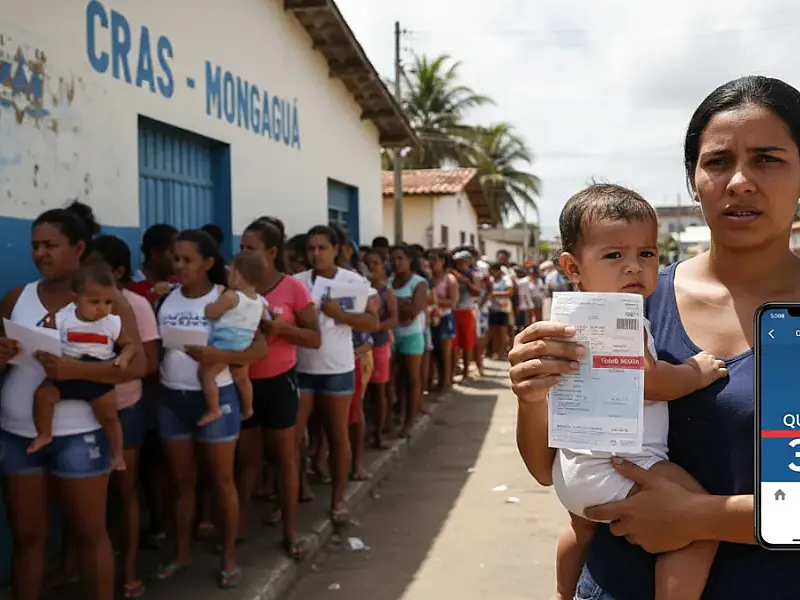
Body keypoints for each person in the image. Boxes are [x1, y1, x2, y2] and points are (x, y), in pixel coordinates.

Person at [510, 75, 800, 600]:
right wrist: (532, 396)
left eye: (767, 158)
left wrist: (699, 517)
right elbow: (546, 467)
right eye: (717, 161)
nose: (739, 181)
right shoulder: (629, 304)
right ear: (693, 180)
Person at [549, 184, 728, 600]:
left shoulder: (574, 317)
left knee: (580, 527)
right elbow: (651, 382)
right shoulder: (616, 319)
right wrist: (694, 371)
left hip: (574, 469)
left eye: (646, 254)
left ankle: (562, 592)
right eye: (615, 255)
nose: (634, 267)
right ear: (572, 267)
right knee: (699, 523)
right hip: (623, 463)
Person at [0, 206, 146, 600]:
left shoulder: (105, 301)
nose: (40, 253)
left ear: (79, 247)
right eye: (35, 246)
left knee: (89, 534)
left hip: (79, 433)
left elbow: (138, 365)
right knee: (27, 537)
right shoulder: (17, 297)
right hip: (17, 432)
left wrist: (74, 371)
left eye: (51, 245)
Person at [155, 229, 267, 588]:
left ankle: (229, 556)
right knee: (182, 483)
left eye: (187, 260)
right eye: (176, 259)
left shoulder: (230, 297)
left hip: (216, 397)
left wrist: (221, 356)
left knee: (222, 481)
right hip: (174, 399)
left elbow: (259, 349)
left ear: (207, 263)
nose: (179, 266)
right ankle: (182, 552)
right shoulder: (168, 299)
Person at [237, 218, 320, 559]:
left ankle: (291, 532)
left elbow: (314, 337)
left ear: (271, 252)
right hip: (241, 383)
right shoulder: (235, 287)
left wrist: (280, 328)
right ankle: (237, 527)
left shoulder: (293, 289)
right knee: (247, 462)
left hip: (279, 382)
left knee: (286, 459)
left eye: (250, 249)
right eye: (241, 248)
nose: (243, 254)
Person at [85, 234, 160, 599]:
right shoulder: (77, 305)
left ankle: (128, 566)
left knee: (125, 491)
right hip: (83, 412)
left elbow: (149, 362)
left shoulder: (135, 306)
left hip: (124, 408)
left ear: (116, 271)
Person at [295, 225, 378, 527]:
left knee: (337, 434)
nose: (316, 254)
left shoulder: (353, 282)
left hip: (337, 369)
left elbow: (372, 322)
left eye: (322, 248)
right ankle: (294, 492)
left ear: (336, 250)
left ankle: (338, 499)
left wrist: (340, 316)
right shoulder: (298, 282)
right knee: (295, 438)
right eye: (311, 248)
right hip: (302, 369)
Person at [27, 262, 135, 473]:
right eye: (94, 301)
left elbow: (130, 345)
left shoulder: (112, 323)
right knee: (42, 396)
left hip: (98, 375)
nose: (102, 308)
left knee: (110, 418)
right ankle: (44, 434)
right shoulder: (62, 318)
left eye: (108, 302)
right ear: (75, 298)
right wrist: (43, 349)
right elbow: (44, 339)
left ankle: (117, 454)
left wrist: (124, 356)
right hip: (66, 371)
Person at [199, 252, 267, 426]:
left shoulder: (231, 297)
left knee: (207, 374)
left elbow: (210, 313)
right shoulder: (260, 300)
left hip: (226, 344)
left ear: (237, 276)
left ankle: (213, 409)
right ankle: (248, 408)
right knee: (242, 377)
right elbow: (265, 318)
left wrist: (216, 299)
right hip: (245, 343)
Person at [388, 245, 428, 438]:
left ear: (409, 260)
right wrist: (403, 305)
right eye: (392, 259)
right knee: (393, 380)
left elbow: (414, 310)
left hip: (411, 336)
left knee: (412, 379)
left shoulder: (418, 283)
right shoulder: (388, 282)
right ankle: (394, 416)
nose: (395, 262)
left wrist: (396, 306)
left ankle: (409, 422)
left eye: (399, 258)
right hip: (391, 336)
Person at [363, 248, 397, 449]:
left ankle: (379, 432)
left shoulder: (386, 292)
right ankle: (370, 431)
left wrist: (373, 326)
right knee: (366, 394)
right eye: (367, 264)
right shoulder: (361, 289)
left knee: (380, 390)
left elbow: (393, 318)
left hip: (380, 344)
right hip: (365, 346)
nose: (370, 268)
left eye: (374, 263)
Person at [129, 224, 178, 304]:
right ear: (154, 252)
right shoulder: (132, 287)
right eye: (172, 253)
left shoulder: (178, 284)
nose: (178, 260)